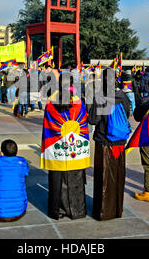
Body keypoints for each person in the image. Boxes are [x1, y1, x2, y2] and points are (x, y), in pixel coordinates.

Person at [41, 72, 90, 220]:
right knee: (75, 180)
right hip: (75, 147)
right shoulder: (79, 102)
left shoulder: (51, 102)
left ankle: (57, 210)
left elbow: (48, 124)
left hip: (56, 148)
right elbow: (82, 122)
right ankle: (77, 210)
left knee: (57, 180)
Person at [88, 68, 131, 220]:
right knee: (118, 176)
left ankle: (103, 211)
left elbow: (93, 120)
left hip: (104, 142)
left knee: (103, 177)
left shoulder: (102, 97)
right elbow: (127, 115)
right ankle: (116, 210)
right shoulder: (123, 96)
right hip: (120, 142)